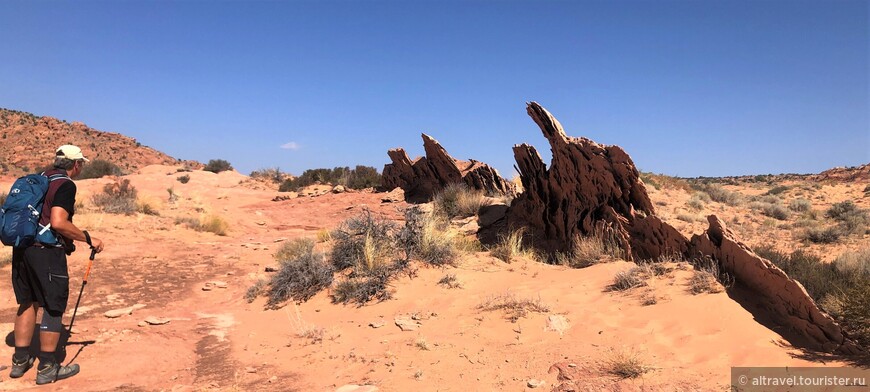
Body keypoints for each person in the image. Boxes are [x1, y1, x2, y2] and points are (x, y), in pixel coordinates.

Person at [9, 145, 104, 385]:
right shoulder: (65, 184)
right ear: (76, 164)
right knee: (53, 306)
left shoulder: (40, 178)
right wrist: (88, 238)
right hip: (46, 253)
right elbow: (59, 222)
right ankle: (48, 367)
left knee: (27, 302)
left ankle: (20, 361)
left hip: (22, 248)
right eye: (81, 163)